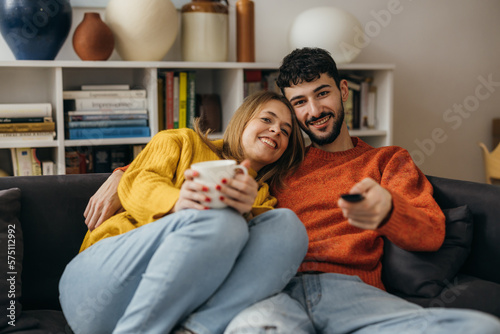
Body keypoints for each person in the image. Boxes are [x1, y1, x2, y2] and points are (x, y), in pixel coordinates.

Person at [84, 48, 500, 334]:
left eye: (322, 94)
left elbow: (431, 232)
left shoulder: (387, 161)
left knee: (480, 327)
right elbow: (205, 159)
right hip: (267, 288)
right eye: (298, 103)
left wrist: (387, 212)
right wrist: (125, 172)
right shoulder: (277, 160)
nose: (313, 111)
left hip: (352, 293)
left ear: (343, 92)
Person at [58, 90, 309, 334]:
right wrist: (178, 202)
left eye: (285, 130)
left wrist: (244, 212)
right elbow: (135, 184)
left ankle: (196, 328)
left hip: (170, 305)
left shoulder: (263, 199)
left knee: (288, 226)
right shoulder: (182, 141)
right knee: (222, 219)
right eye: (267, 119)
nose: (276, 130)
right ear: (243, 119)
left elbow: (250, 263)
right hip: (99, 284)